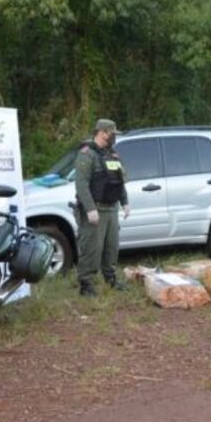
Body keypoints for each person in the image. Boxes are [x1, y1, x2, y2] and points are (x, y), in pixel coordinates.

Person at [74, 119, 130, 296]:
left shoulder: (113, 154)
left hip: (111, 209)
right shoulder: (87, 154)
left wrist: (125, 202)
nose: (114, 137)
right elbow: (81, 184)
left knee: (111, 246)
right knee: (92, 247)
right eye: (112, 133)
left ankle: (110, 277)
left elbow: (119, 181)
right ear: (102, 132)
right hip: (95, 209)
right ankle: (86, 283)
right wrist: (90, 208)